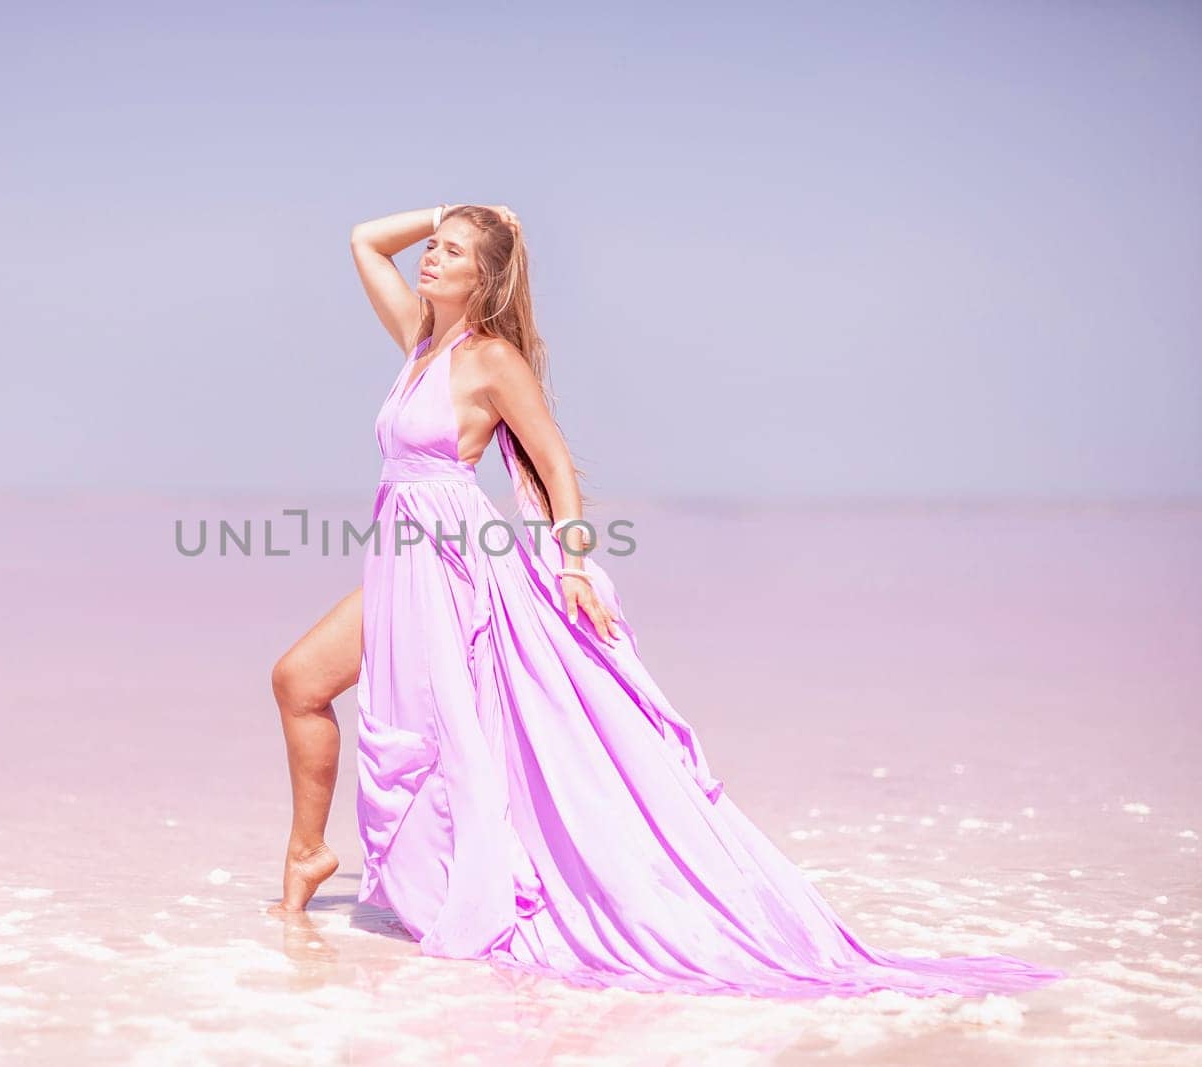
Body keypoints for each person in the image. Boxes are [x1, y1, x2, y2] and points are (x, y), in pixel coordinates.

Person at [268, 203, 1066, 998]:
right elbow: (363, 239)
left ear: (485, 278)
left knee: (452, 735)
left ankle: (458, 883)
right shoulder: (419, 339)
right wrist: (450, 208)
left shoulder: (490, 359)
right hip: (404, 560)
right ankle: (312, 850)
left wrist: (574, 565)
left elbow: (555, 464)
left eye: (449, 251)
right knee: (300, 681)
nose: (429, 258)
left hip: (456, 565)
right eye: (432, 248)